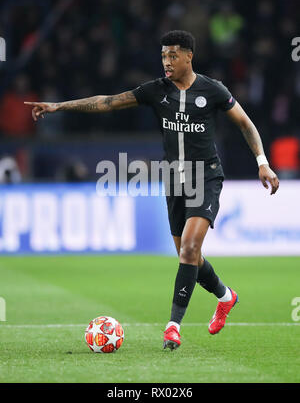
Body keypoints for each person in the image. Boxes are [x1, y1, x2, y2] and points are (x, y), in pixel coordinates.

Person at [24, 30, 279, 350]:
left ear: (189, 56)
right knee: (191, 257)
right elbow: (106, 102)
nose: (167, 62)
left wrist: (262, 161)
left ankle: (173, 326)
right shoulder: (156, 91)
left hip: (206, 177)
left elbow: (245, 123)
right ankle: (226, 297)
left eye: (173, 55)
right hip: (173, 179)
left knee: (188, 248)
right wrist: (59, 107)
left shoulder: (212, 90)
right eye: (163, 56)